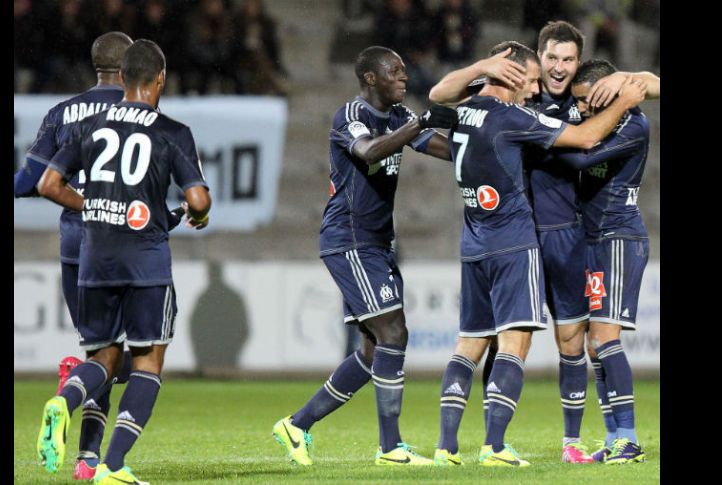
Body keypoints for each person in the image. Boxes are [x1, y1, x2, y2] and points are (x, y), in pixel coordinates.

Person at [431, 20, 659, 463]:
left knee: (574, 342)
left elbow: (649, 85)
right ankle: (491, 440)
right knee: (499, 341)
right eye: (550, 59)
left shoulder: (591, 94)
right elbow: (442, 95)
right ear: (537, 59)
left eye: (567, 60)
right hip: (518, 234)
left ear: (578, 62)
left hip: (567, 236)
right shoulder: (520, 99)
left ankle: (571, 442)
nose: (557, 69)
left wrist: (626, 81)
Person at [35, 39, 211, 485]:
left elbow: (48, 184)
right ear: (159, 79)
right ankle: (112, 466)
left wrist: (90, 205)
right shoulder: (171, 131)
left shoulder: (89, 125)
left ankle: (64, 401)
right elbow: (197, 198)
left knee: (102, 358)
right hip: (145, 262)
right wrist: (200, 213)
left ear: (122, 78)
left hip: (93, 258)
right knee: (148, 362)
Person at [272, 45, 458, 466]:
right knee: (394, 333)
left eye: (405, 72)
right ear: (370, 78)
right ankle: (390, 448)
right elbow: (370, 151)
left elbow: (442, 148)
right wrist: (419, 125)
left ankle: (297, 425)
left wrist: (483, 137)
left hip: (377, 242)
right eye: (395, 72)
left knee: (376, 350)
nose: (404, 78)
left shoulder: (400, 117)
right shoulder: (350, 115)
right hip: (350, 238)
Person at [14, 31, 139, 481]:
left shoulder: (62, 113)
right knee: (131, 359)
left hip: (75, 250)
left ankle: (87, 460)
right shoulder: (140, 113)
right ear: (129, 68)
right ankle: (76, 414)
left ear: (96, 66)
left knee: (100, 351)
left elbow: (31, 181)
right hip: (124, 246)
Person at [551, 58, 651, 464]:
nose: (583, 110)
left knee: (606, 338)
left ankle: (628, 439)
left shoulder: (633, 125)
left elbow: (578, 158)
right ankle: (613, 440)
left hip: (620, 238)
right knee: (595, 346)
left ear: (607, 93)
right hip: (593, 240)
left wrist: (545, 139)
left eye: (588, 102)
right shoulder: (593, 113)